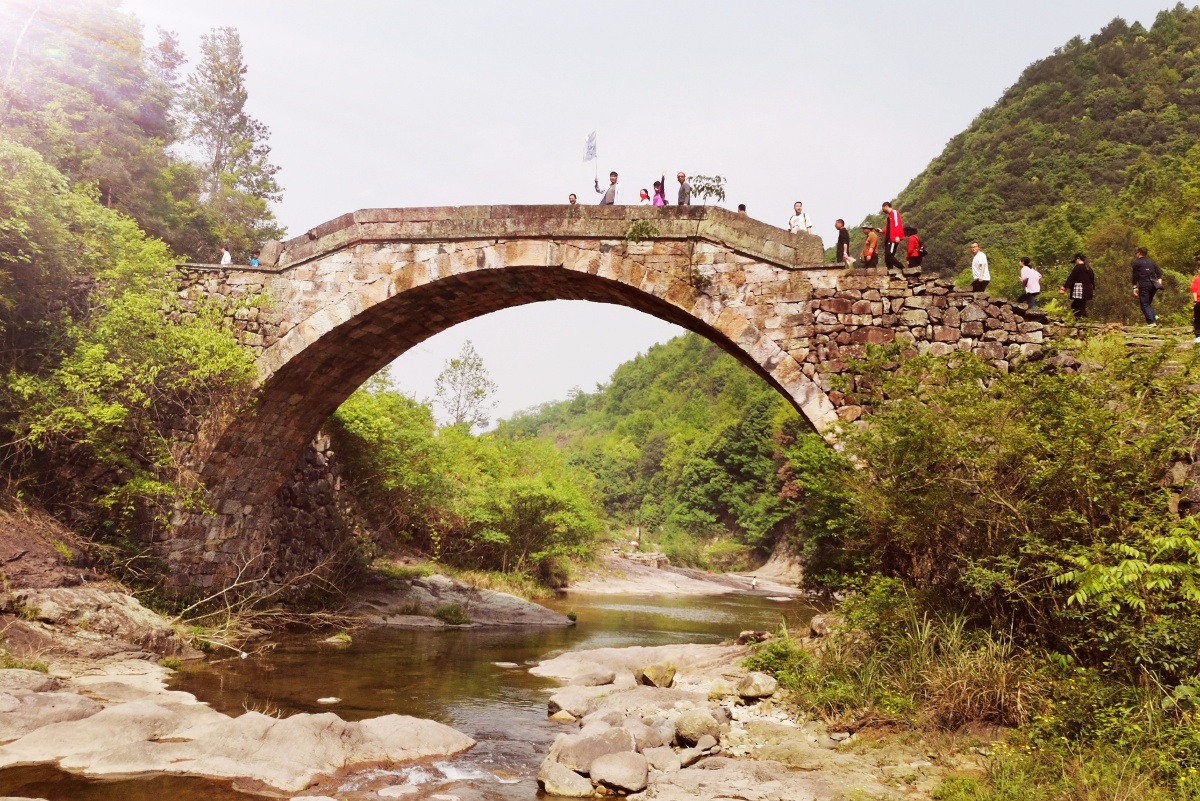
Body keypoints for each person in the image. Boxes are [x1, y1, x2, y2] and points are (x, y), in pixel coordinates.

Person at [1131, 246, 1164, 326]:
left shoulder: (1136, 263)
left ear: (1139, 253)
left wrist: (1134, 287)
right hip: (1153, 285)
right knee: (1147, 304)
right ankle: (1154, 315)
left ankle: (1151, 322)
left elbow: (1135, 276)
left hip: (1144, 285)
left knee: (1144, 305)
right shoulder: (1151, 262)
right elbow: (1159, 273)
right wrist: (1159, 282)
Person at [1060, 253, 1096, 317]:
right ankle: (1081, 320)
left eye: (1075, 261)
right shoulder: (1089, 269)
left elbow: (1071, 278)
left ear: (1078, 259)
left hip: (1080, 289)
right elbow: (1092, 281)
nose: (1075, 263)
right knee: (1080, 305)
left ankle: (1082, 321)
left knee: (1077, 306)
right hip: (1088, 290)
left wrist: (1064, 288)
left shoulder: (1078, 267)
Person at [878, 201, 904, 270]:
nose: (883, 210)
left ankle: (902, 268)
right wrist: (882, 231)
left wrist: (897, 235)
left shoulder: (894, 213)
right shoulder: (889, 217)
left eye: (883, 208)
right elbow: (889, 229)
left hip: (893, 238)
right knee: (887, 257)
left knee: (889, 255)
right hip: (889, 239)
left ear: (886, 206)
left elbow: (897, 224)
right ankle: (890, 271)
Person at [1191, 265, 1200, 345]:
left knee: (1197, 319)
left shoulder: (1196, 280)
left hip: (1199, 302)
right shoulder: (1196, 280)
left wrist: (1195, 301)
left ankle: (1198, 336)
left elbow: (1194, 291)